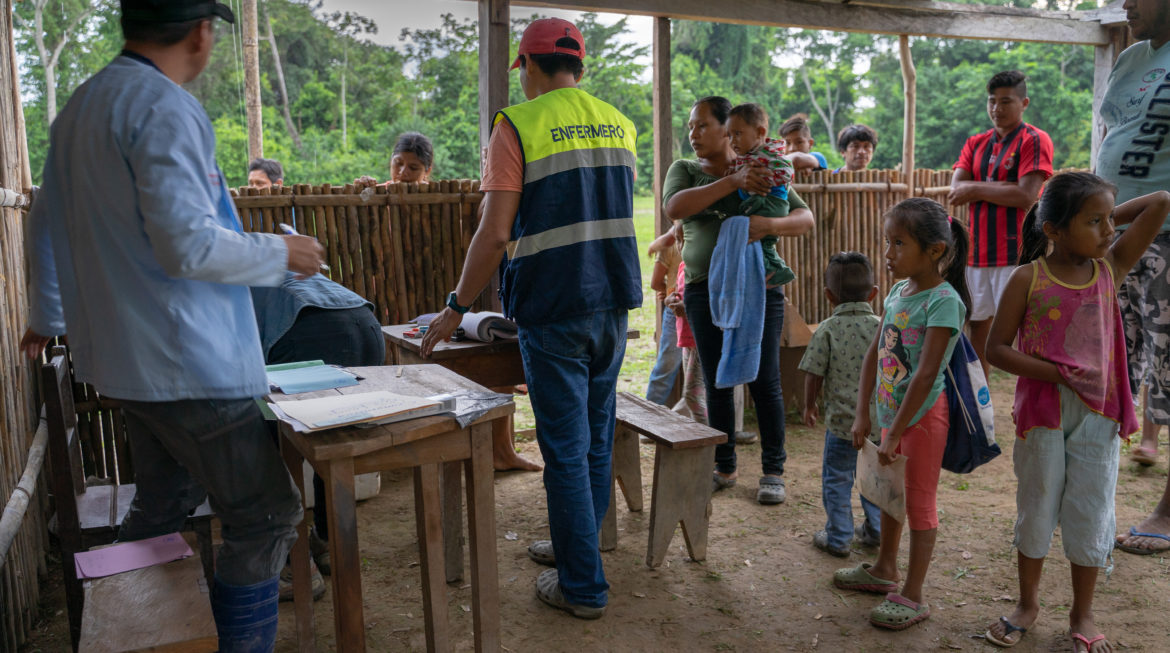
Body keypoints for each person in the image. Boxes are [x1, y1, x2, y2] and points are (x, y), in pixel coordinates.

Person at [19, 2, 325, 649]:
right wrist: (282, 254)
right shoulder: (165, 107)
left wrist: (46, 315)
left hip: (123, 366)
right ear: (201, 32)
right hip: (188, 367)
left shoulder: (79, 108)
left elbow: (41, 220)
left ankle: (144, 634)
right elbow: (186, 247)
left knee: (161, 505)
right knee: (267, 514)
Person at [419, 17, 640, 620]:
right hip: (613, 302)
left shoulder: (517, 124)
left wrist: (456, 308)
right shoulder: (619, 123)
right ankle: (581, 551)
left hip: (555, 306)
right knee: (594, 439)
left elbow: (495, 233)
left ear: (527, 67)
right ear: (580, 67)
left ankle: (582, 587)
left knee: (565, 450)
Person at [982, 172, 1170, 652]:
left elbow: (1161, 201)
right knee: (1037, 507)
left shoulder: (1111, 267)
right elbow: (996, 349)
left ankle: (1082, 612)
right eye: (1095, 222)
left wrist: (1101, 215)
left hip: (1099, 416)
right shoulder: (1029, 277)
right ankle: (1028, 604)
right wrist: (1059, 374)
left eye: (1111, 220)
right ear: (1054, 230)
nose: (1110, 231)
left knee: (1091, 510)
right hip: (1043, 411)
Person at [663, 96, 815, 505]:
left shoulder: (760, 165)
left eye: (702, 126)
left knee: (766, 380)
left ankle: (773, 470)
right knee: (716, 381)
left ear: (727, 128)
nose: (693, 134)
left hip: (760, 287)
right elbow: (674, 207)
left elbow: (805, 219)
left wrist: (769, 223)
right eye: (691, 127)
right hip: (701, 289)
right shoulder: (688, 170)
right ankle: (724, 464)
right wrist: (733, 182)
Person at [246, 159, 385, 600]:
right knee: (331, 440)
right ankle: (325, 543)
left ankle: (293, 562)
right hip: (365, 323)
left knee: (272, 447)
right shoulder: (267, 257)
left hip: (310, 330)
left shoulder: (216, 268)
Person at [832, 198, 970, 631]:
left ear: (933, 251)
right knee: (891, 494)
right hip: (892, 417)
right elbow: (875, 352)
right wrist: (863, 414)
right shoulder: (897, 292)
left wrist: (895, 432)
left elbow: (927, 373)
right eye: (887, 242)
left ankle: (913, 594)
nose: (888, 254)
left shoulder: (943, 301)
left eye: (898, 244)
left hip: (924, 420)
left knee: (919, 503)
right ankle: (884, 569)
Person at [1100, 0, 1170, 492]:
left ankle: (1167, 511)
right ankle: (1092, 487)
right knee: (1115, 358)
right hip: (1111, 233)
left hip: (1166, 234)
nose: (1125, 3)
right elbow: (1113, 131)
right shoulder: (1131, 57)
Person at [948, 70, 1054, 378]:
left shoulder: (1034, 139)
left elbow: (1026, 194)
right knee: (977, 325)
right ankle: (981, 396)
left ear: (1024, 102)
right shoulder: (975, 142)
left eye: (1006, 101)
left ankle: (1033, 393)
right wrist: (990, 189)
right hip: (976, 254)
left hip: (1019, 254)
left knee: (1029, 329)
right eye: (992, 101)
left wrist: (976, 188)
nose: (997, 108)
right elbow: (957, 190)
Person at [799, 252, 882, 558]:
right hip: (879, 425)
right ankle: (876, 532)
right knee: (874, 479)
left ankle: (839, 538)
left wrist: (809, 406)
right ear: (873, 293)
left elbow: (813, 373)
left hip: (841, 427)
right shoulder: (882, 328)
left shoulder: (827, 329)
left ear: (828, 296)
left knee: (837, 480)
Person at [727, 102, 795, 288]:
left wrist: (769, 178)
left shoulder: (769, 153)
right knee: (762, 242)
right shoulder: (748, 156)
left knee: (749, 223)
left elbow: (787, 170)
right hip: (764, 201)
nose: (732, 141)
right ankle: (772, 270)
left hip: (771, 201)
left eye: (738, 134)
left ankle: (777, 271)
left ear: (760, 132)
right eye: (729, 135)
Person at [645, 225, 685, 406]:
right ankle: (649, 421)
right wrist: (668, 292)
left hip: (695, 308)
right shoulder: (670, 244)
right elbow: (655, 282)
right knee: (667, 366)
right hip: (676, 312)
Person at [354, 131, 434, 187]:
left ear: (427, 171)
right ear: (391, 161)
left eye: (413, 168)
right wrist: (361, 192)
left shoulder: (436, 199)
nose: (403, 172)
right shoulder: (377, 195)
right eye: (398, 163)